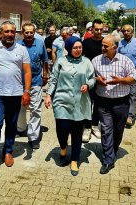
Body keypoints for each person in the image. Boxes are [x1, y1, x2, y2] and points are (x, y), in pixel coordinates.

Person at [0, 21, 32, 177]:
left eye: (12, 31)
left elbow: (27, 72)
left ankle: (8, 151)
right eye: (7, 31)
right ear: (1, 33)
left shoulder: (22, 49)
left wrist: (26, 91)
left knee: (11, 124)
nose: (10, 34)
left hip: (15, 93)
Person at [45, 37, 95, 176]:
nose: (78, 50)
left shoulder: (86, 62)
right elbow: (53, 79)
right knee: (62, 130)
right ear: (69, 48)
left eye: (80, 47)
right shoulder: (61, 61)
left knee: (77, 133)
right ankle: (63, 148)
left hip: (80, 102)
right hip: (61, 101)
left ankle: (74, 160)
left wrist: (88, 85)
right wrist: (49, 95)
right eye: (75, 48)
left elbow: (92, 78)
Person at [91, 35, 136, 174]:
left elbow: (133, 78)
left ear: (114, 47)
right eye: (102, 45)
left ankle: (113, 150)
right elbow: (90, 76)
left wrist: (121, 80)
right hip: (103, 101)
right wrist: (96, 79)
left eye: (106, 46)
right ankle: (108, 160)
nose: (103, 48)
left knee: (118, 130)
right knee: (106, 130)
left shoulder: (125, 60)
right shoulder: (96, 60)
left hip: (121, 102)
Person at [16, 22, 49, 149]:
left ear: (34, 32)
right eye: (26, 32)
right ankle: (21, 128)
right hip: (20, 83)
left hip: (36, 81)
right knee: (20, 108)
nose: (29, 35)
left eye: (31, 32)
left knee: (36, 110)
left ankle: (34, 136)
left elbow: (45, 61)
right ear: (22, 33)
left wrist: (45, 75)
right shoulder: (17, 46)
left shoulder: (40, 44)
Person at [81, 19, 105, 142]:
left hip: (102, 78)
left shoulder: (105, 42)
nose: (99, 31)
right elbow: (81, 59)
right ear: (92, 29)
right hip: (88, 78)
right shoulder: (86, 42)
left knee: (98, 104)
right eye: (97, 29)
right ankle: (86, 127)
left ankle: (95, 125)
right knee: (87, 103)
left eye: (101, 29)